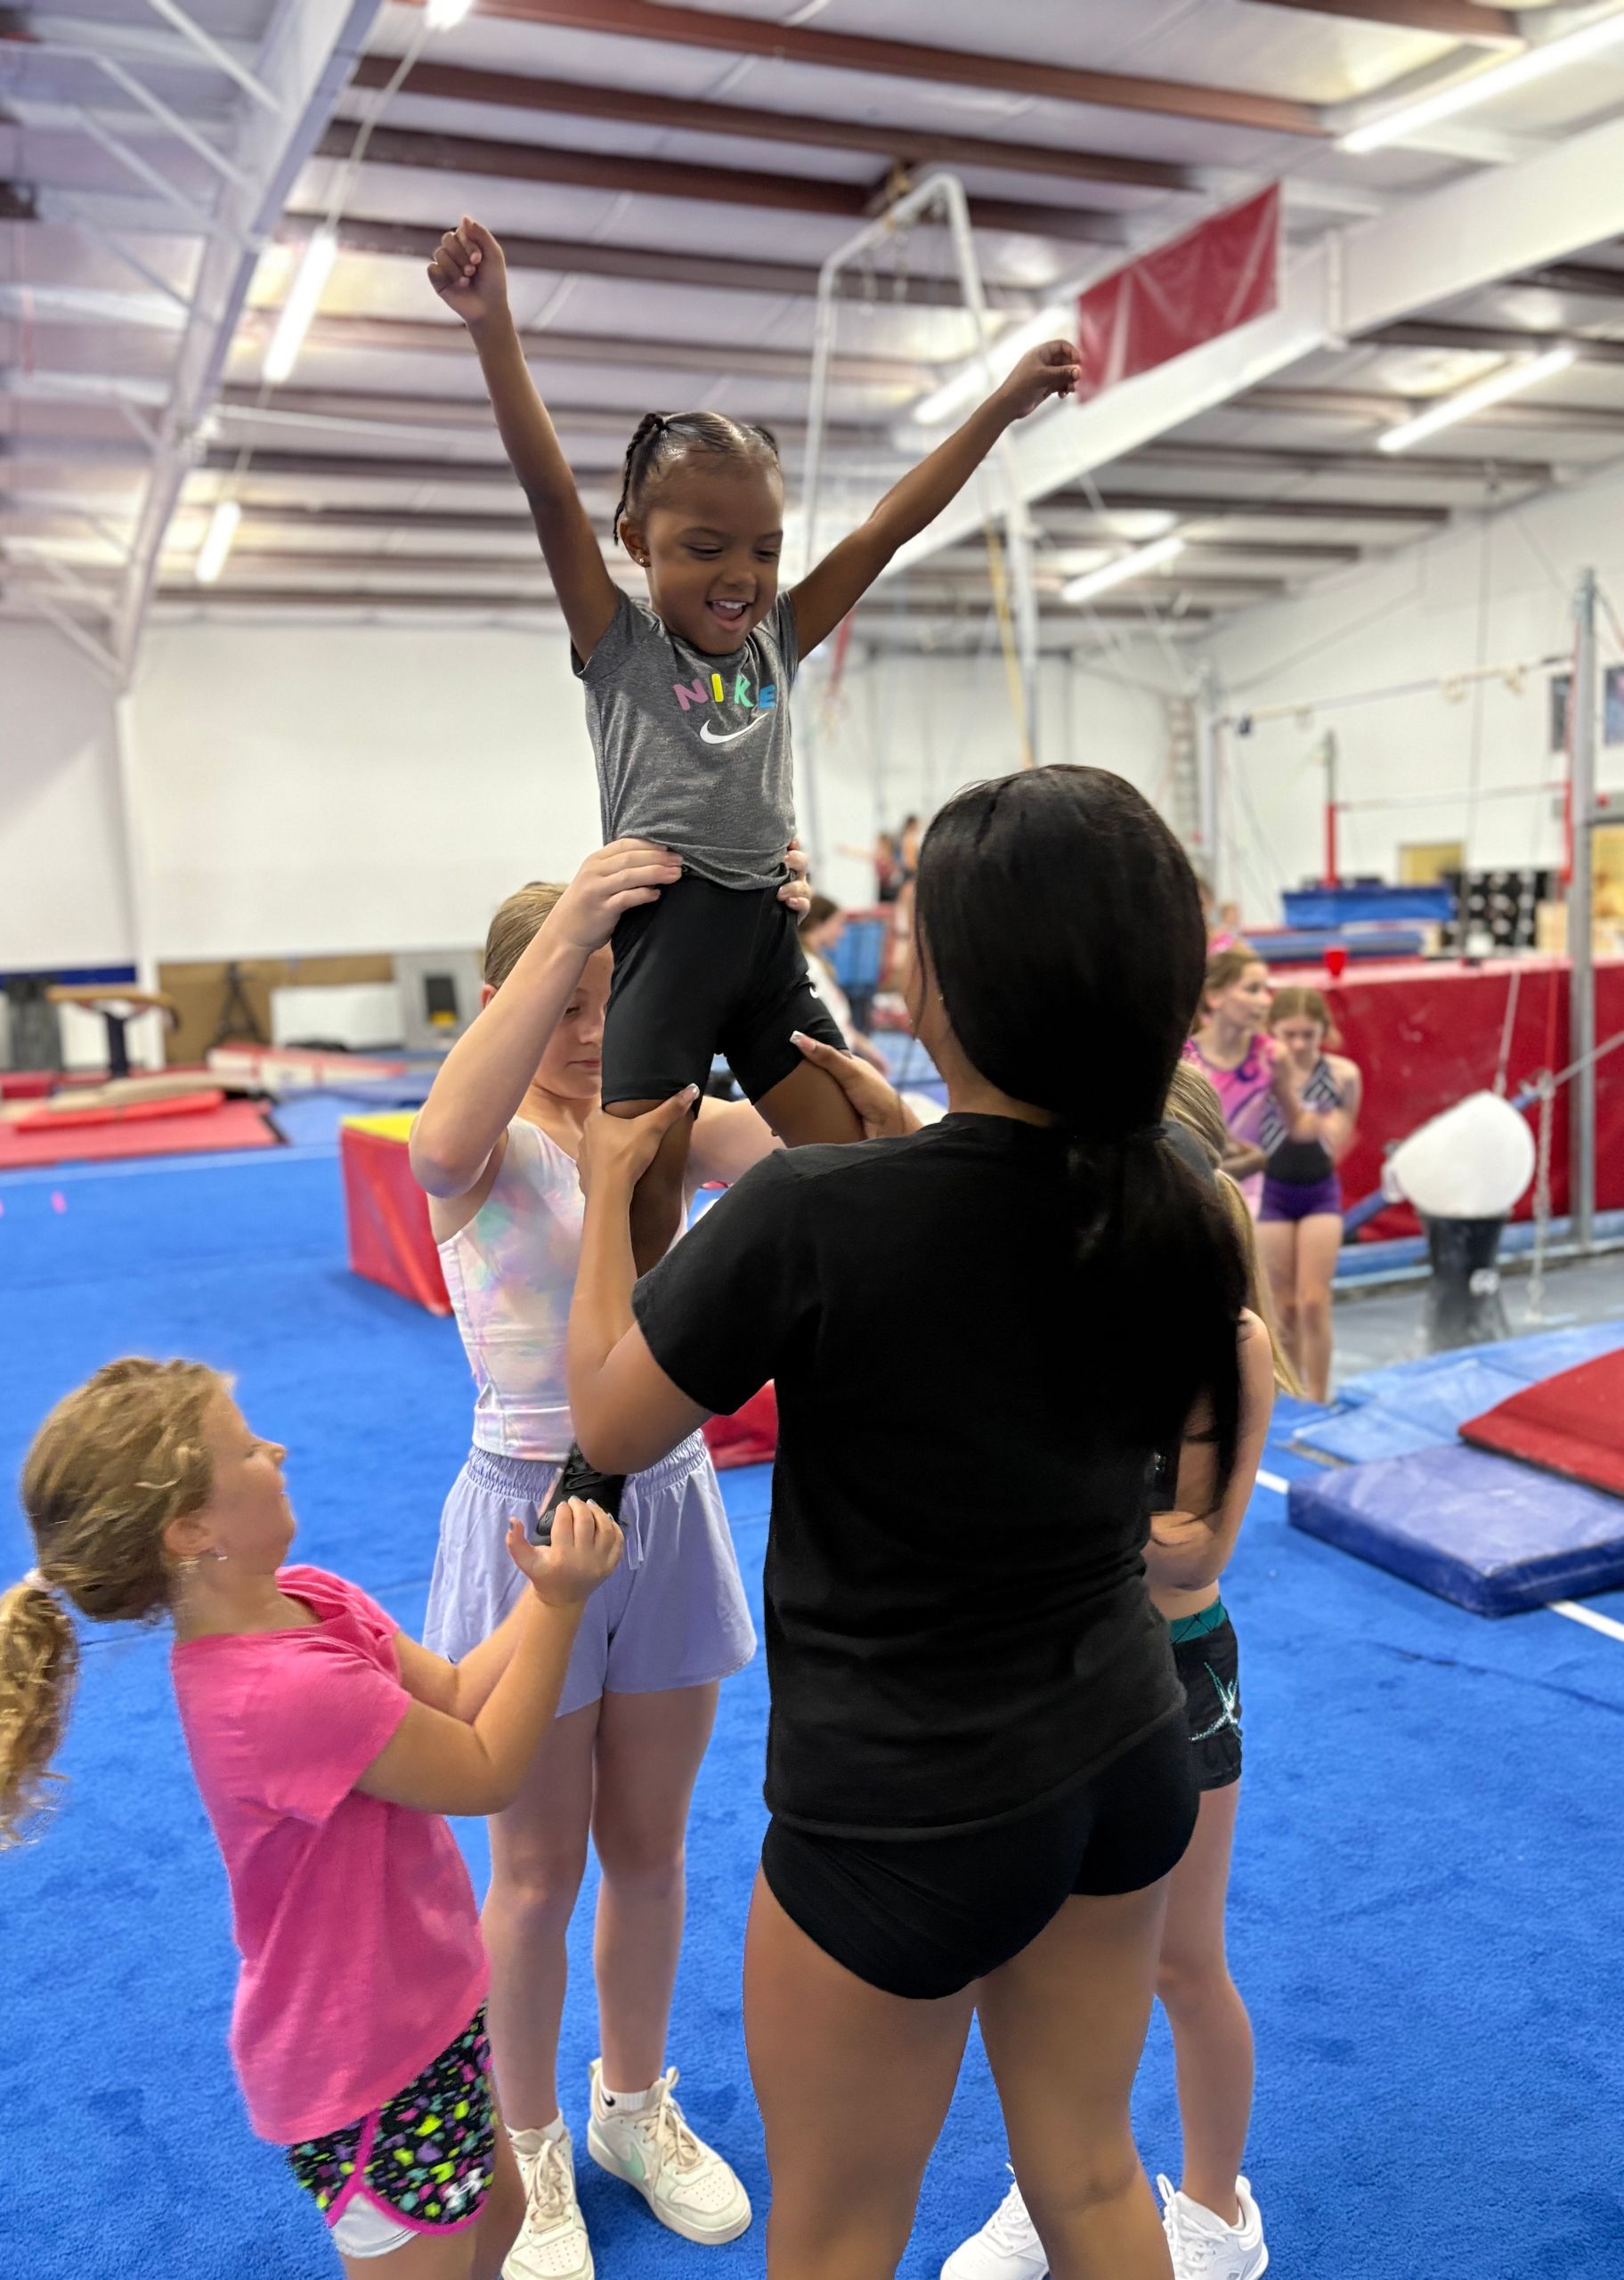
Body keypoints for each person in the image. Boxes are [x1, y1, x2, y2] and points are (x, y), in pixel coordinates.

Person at [563, 765, 1276, 2280]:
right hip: (1117, 1755)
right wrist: (898, 1154)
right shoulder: (1173, 1197)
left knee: (834, 2239)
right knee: (1090, 2178)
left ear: (940, 988)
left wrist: (621, 1176)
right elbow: (991, 1247)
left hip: (900, 1813)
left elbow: (609, 1425)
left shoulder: (813, 1218)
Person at [426, 211, 1079, 1518]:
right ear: (637, 543)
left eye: (762, 548)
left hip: (767, 945)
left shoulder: (778, 640)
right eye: (702, 547)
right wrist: (494, 328)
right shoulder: (619, 648)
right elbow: (547, 488)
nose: (739, 574)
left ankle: (924, 1363)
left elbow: (890, 526)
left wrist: (1000, 408)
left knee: (865, 1158)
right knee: (646, 1201)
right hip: (666, 946)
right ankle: (605, 1450)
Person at [0, 1357, 623, 2279]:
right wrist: (559, 1603)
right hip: (364, 2059)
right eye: (247, 1448)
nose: (279, 1446)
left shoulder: (312, 1598)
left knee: (498, 2222)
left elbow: (461, 1691)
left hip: (430, 2004)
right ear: (193, 1531)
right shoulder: (277, 1691)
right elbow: (486, 1769)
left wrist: (543, 1579)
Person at [410, 843, 794, 2280]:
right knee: (535, 1868)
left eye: (613, 1001)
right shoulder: (485, 1147)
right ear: (514, 999)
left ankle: (632, 2106)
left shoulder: (666, 1122)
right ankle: (527, 2153)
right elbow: (439, 1145)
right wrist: (574, 918)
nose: (590, 1031)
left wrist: (758, 948)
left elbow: (828, 1154)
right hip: (527, 1509)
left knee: (649, 1847)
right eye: (563, 1002)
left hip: (674, 1499)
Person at [943, 1065, 1296, 2280]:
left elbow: (1198, 1547)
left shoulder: (1231, 1345)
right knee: (1035, 1958)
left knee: (1179, 1962)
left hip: (1174, 1667)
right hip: (1057, 1657)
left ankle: (1214, 2212)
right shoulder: (1062, 1318)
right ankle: (1054, 2184)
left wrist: (1052, 1489)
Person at [1257, 987, 1362, 1404]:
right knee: (1282, 1308)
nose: (1299, 1045)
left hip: (1319, 1191)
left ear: (1325, 1030)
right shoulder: (1262, 1073)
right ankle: (1293, 1391)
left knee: (1314, 1302)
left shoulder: (1343, 1075)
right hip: (1272, 1193)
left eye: (1309, 1034)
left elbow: (1344, 1133)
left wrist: (1333, 1126)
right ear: (1272, 1031)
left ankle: (1318, 1396)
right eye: (1289, 1035)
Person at [1183, 949, 1294, 1216]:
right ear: (1215, 996)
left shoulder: (1273, 1056)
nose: (1265, 1001)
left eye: (1266, 990)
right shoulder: (1187, 1058)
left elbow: (1294, 1130)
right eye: (1252, 989)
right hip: (1198, 1189)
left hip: (1257, 1195)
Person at [798, 896, 890, 1074]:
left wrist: (865, 1046)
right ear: (819, 924)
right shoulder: (808, 965)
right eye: (837, 924)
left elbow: (835, 1017)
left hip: (837, 1057)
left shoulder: (817, 963)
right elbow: (818, 1020)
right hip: (828, 1061)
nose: (841, 933)